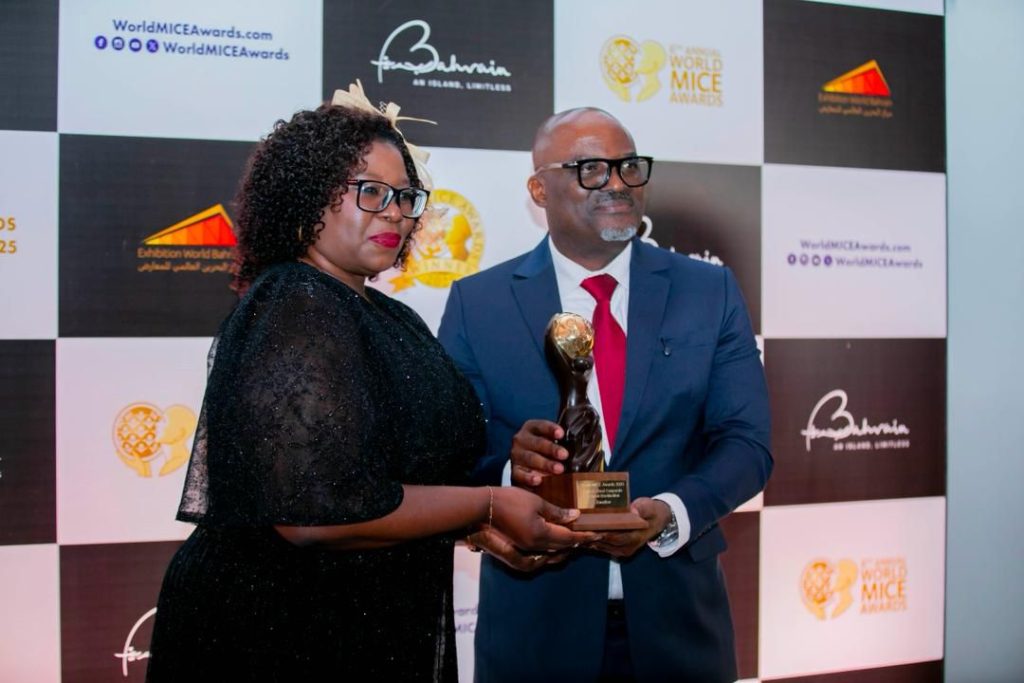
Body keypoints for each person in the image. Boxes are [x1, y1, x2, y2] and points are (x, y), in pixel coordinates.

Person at [146, 85, 594, 682]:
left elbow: (396, 475)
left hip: (362, 620)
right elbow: (312, 514)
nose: (394, 213)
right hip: (279, 633)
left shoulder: (389, 315)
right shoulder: (296, 304)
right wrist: (488, 505)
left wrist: (502, 479)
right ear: (308, 195)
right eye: (370, 191)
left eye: (405, 196)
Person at [438, 108, 772, 682]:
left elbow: (747, 444)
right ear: (539, 189)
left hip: (680, 628)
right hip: (534, 631)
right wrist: (514, 473)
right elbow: (449, 459)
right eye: (590, 168)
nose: (616, 183)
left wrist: (671, 514)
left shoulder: (708, 290)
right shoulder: (479, 302)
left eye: (628, 167)